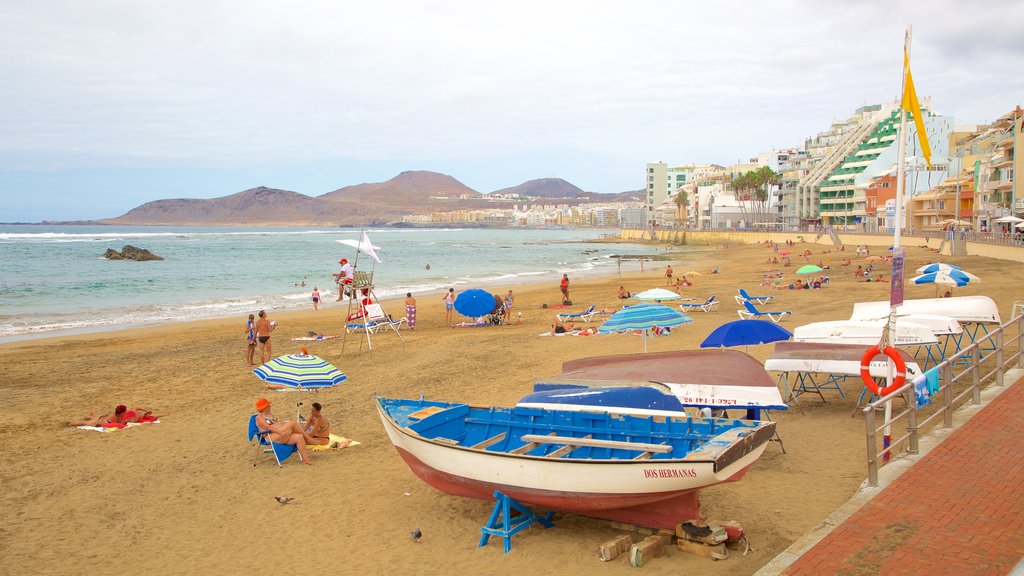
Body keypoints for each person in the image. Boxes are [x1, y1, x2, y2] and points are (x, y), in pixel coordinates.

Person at [254, 398, 314, 465]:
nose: (270, 407)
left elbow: (276, 424)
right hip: (271, 436)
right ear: (264, 408)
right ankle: (309, 439)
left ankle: (305, 460)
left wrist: (282, 424)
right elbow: (268, 427)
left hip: (279, 435)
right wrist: (280, 432)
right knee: (293, 423)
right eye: (269, 406)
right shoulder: (259, 418)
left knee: (299, 437)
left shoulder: (270, 415)